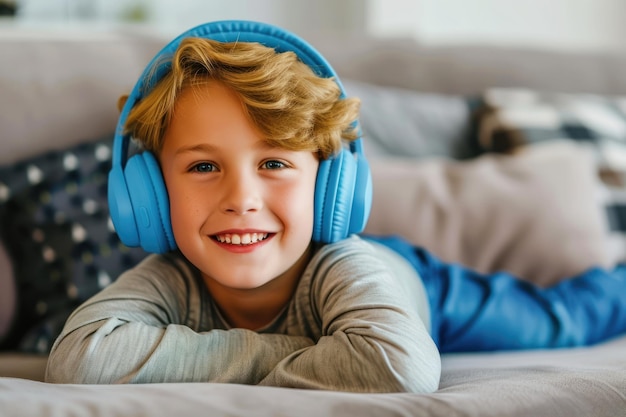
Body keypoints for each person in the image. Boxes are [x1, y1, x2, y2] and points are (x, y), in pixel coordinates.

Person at [45, 20, 626, 393]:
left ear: (329, 189)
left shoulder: (341, 266)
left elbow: (399, 366)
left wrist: (197, 358)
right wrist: (308, 353)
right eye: (202, 166)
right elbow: (78, 361)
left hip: (416, 285)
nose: (241, 199)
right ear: (147, 195)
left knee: (561, 318)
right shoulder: (170, 278)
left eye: (274, 164)